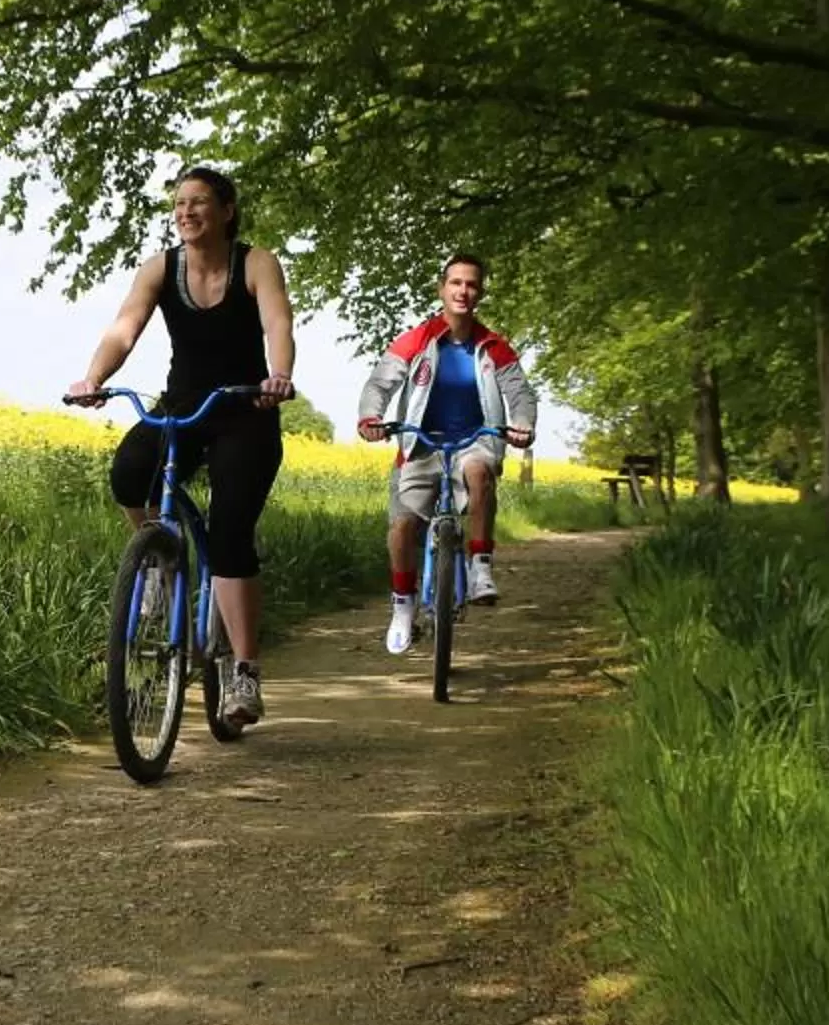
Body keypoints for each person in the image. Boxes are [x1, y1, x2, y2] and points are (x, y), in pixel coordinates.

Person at [67, 168, 299, 728]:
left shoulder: (256, 262)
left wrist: (279, 375)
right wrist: (92, 377)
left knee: (229, 533)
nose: (186, 212)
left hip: (246, 408)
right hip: (183, 405)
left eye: (199, 202)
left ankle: (244, 671)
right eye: (179, 204)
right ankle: (156, 565)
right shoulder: (160, 269)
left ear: (226, 210)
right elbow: (125, 328)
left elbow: (277, 322)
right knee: (129, 473)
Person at [356, 253, 537, 656]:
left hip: (476, 439)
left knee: (479, 473)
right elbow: (380, 382)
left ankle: (480, 568)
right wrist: (371, 415)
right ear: (442, 289)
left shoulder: (493, 346)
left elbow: (520, 393)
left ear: (480, 293)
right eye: (455, 283)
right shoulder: (419, 338)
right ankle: (403, 606)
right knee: (402, 528)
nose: (463, 291)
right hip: (421, 443)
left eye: (471, 284)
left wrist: (522, 423)